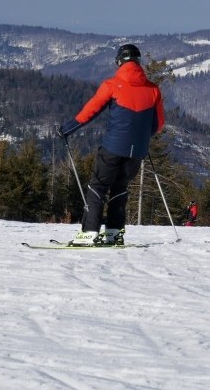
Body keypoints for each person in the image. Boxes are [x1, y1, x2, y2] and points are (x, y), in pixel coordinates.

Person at [58, 44, 165, 246]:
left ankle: (89, 233)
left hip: (113, 147)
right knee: (120, 187)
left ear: (119, 62)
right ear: (138, 62)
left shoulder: (112, 85)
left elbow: (90, 111)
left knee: (98, 186)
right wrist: (142, 138)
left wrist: (68, 129)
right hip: (137, 151)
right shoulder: (153, 90)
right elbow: (158, 124)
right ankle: (114, 233)